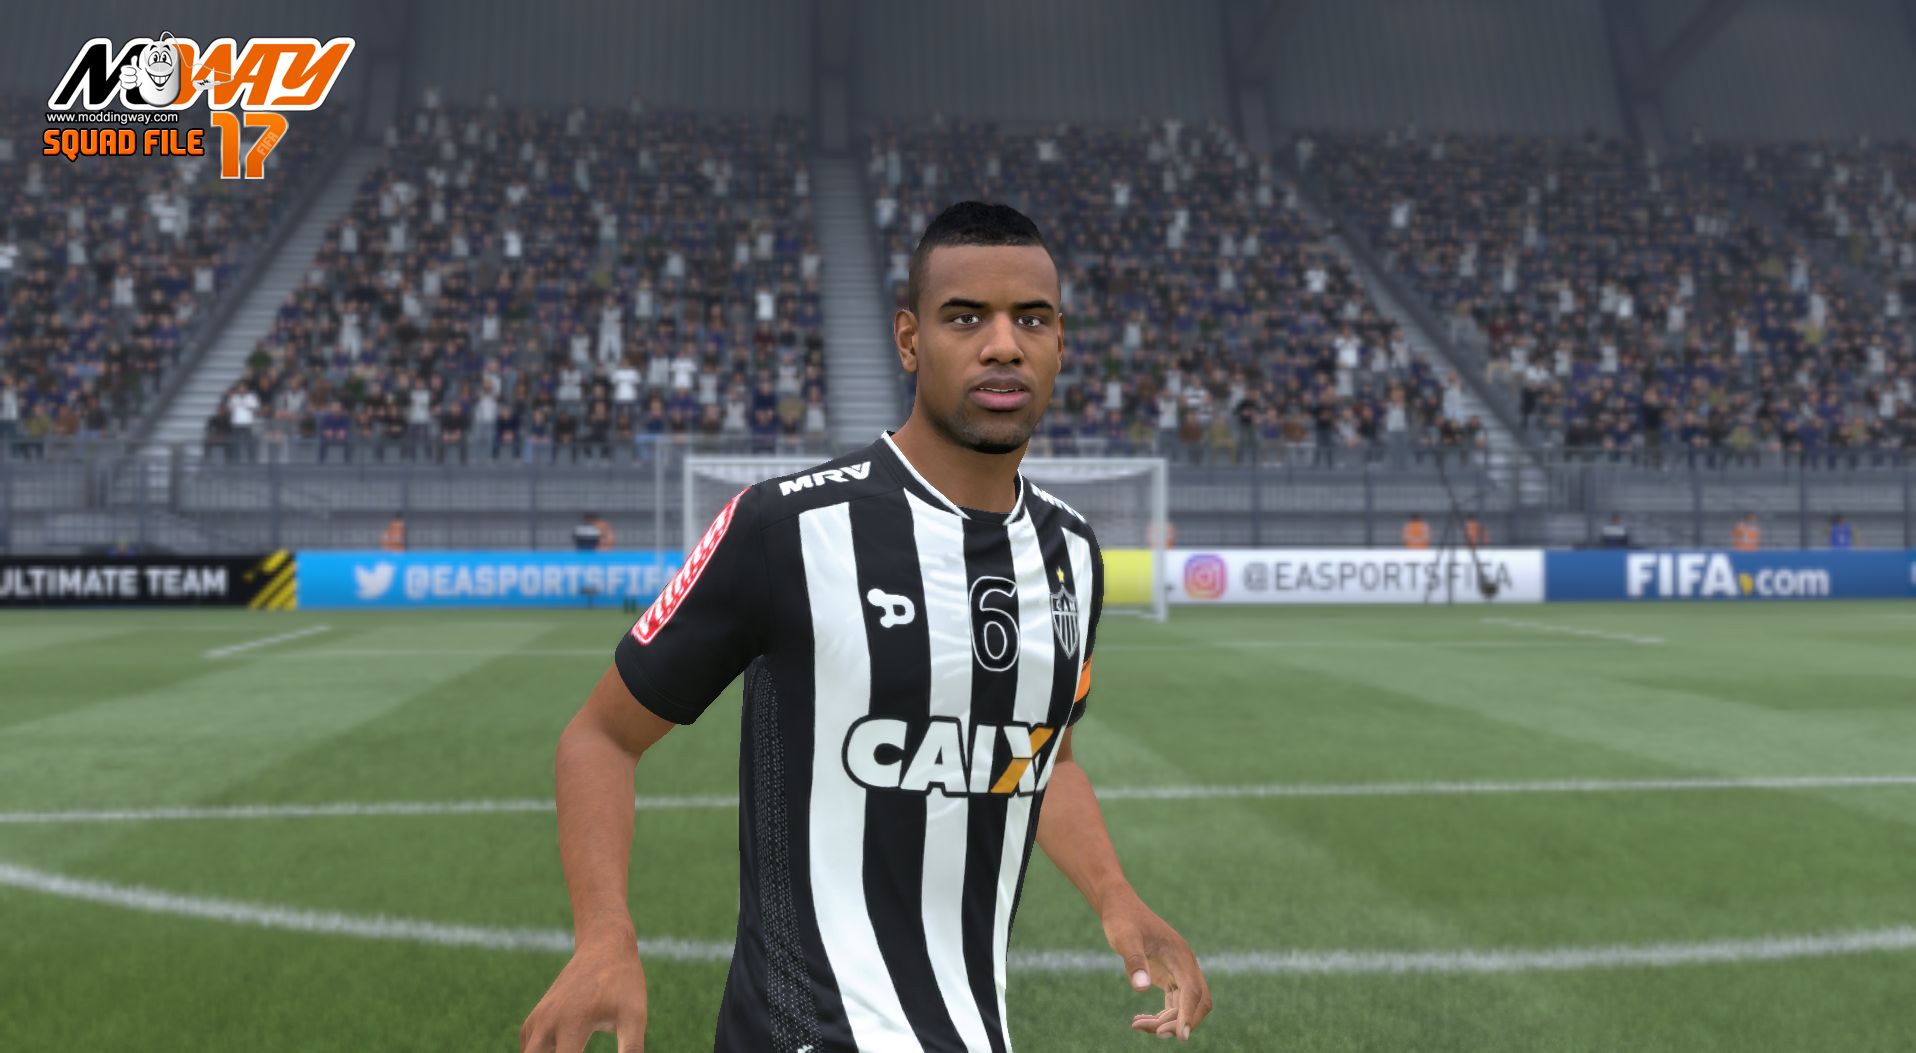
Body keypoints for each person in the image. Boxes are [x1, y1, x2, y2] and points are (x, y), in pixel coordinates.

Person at [520, 202, 1211, 1053]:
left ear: (1061, 343)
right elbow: (601, 735)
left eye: (1031, 319)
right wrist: (604, 933)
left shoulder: (1071, 553)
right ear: (910, 340)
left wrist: (1115, 894)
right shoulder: (784, 528)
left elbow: (1042, 755)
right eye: (967, 317)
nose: (1004, 344)